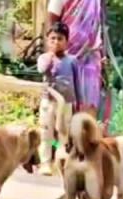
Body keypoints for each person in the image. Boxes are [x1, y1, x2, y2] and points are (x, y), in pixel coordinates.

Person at [47, 0, 103, 118]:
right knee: (63, 106)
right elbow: (52, 30)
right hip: (65, 60)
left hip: (90, 59)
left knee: (88, 109)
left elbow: (97, 26)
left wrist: (102, 55)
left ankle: (85, 128)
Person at [36, 22, 79, 176]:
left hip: (66, 103)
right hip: (48, 101)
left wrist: (78, 102)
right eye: (52, 39)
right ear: (47, 40)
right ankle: (45, 163)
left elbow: (76, 81)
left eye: (60, 39)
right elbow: (41, 70)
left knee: (63, 133)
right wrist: (50, 57)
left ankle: (61, 162)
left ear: (66, 41)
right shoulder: (43, 58)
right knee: (46, 132)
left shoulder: (72, 60)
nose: (56, 42)